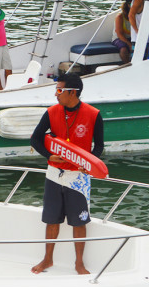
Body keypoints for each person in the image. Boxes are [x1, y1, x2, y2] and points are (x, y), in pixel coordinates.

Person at [29, 74, 104, 275]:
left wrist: (88, 165)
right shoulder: (52, 112)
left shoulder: (93, 114)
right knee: (51, 219)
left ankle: (79, 263)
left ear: (73, 92)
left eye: (60, 90)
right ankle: (47, 259)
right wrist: (49, 156)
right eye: (56, 90)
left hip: (78, 178)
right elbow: (35, 139)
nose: (56, 94)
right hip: (54, 173)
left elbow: (99, 146)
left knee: (79, 222)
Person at [112, 0, 134, 64]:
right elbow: (119, 34)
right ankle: (127, 64)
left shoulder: (137, 15)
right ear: (127, 5)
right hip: (119, 38)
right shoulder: (120, 16)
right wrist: (129, 44)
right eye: (131, 4)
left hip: (131, 37)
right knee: (124, 49)